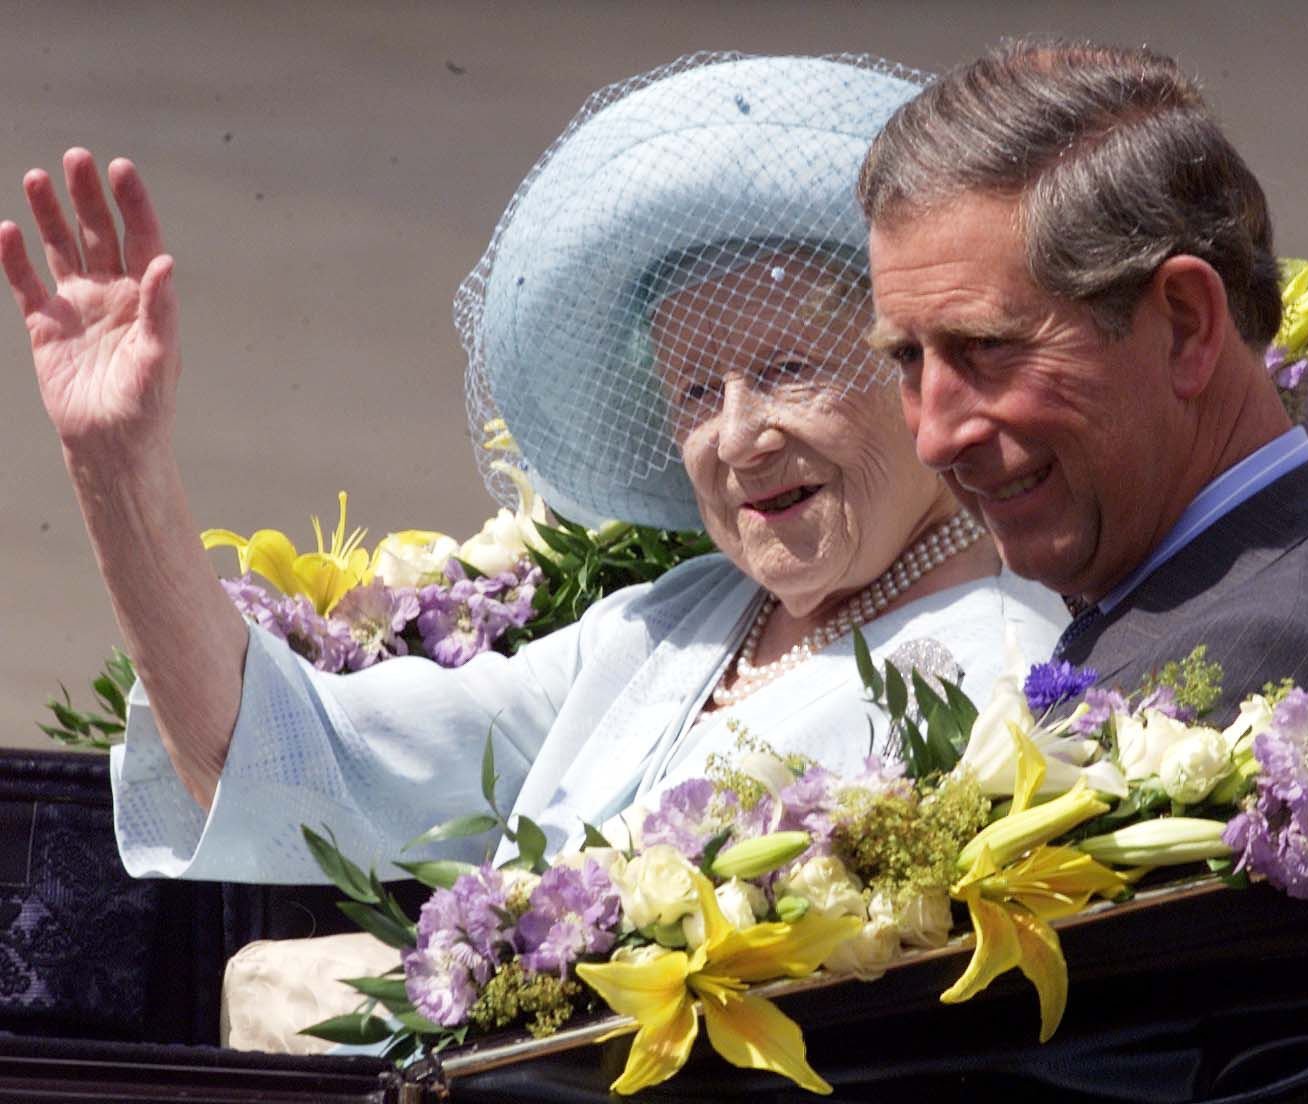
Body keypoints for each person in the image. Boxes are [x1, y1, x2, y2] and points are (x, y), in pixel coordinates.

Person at [0, 53, 1067, 884]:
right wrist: (118, 469)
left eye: (787, 371)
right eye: (696, 393)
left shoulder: (1015, 662)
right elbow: (308, 771)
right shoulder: (669, 627)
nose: (737, 437)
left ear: (918, 378)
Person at [858, 39, 1308, 716]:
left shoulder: (1239, 673)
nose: (936, 438)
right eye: (907, 358)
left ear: (1185, 326)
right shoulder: (1229, 606)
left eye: (987, 346)